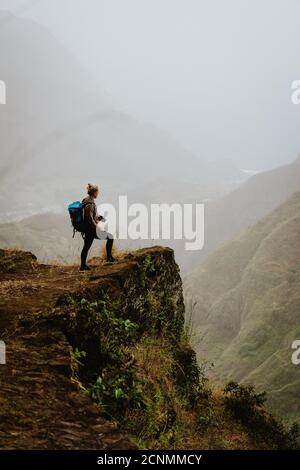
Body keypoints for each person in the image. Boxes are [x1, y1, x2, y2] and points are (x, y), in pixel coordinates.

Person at [80, 183, 115, 271]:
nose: (98, 194)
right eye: (97, 192)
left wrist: (98, 218)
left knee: (86, 247)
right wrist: (97, 228)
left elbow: (91, 216)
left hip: (88, 229)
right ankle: (109, 258)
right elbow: (89, 219)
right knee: (110, 237)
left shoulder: (88, 200)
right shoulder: (89, 204)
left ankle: (83, 266)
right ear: (94, 192)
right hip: (91, 229)